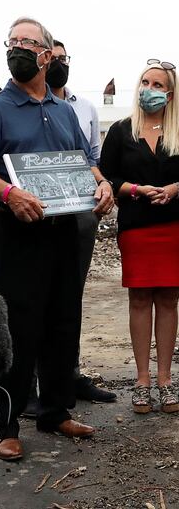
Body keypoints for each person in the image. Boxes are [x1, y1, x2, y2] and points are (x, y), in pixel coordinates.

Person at [0, 17, 114, 462]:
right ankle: (6, 425)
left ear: (47, 55)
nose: (17, 48)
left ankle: (55, 410)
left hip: (63, 230)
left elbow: (84, 161)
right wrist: (10, 194)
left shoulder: (64, 110)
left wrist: (102, 183)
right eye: (11, 41)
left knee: (63, 320)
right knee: (17, 328)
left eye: (27, 42)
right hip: (17, 232)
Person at [22, 40, 116, 416]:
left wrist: (102, 186)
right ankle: (27, 385)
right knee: (34, 298)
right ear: (42, 61)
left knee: (69, 296)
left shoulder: (84, 108)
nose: (60, 64)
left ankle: (67, 375)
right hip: (39, 214)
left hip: (79, 216)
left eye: (65, 59)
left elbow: (91, 158)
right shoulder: (22, 106)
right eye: (55, 58)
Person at [100, 59, 179, 414]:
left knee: (169, 300)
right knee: (139, 299)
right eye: (146, 82)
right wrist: (134, 189)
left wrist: (175, 188)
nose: (149, 89)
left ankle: (165, 379)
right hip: (135, 227)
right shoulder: (121, 131)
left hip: (173, 227)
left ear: (170, 94)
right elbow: (105, 177)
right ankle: (143, 380)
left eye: (158, 85)